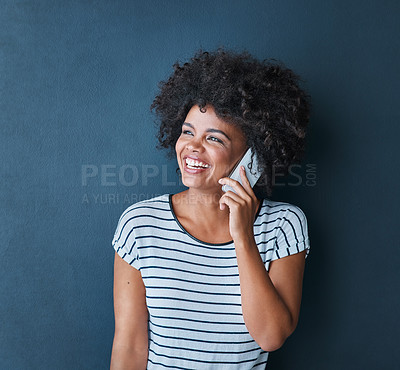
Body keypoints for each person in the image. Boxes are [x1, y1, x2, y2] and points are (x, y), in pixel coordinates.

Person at [110, 48, 311, 369]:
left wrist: (243, 235)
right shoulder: (140, 224)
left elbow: (271, 336)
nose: (192, 146)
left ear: (254, 155)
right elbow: (130, 344)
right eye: (188, 132)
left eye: (214, 139)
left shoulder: (284, 224)